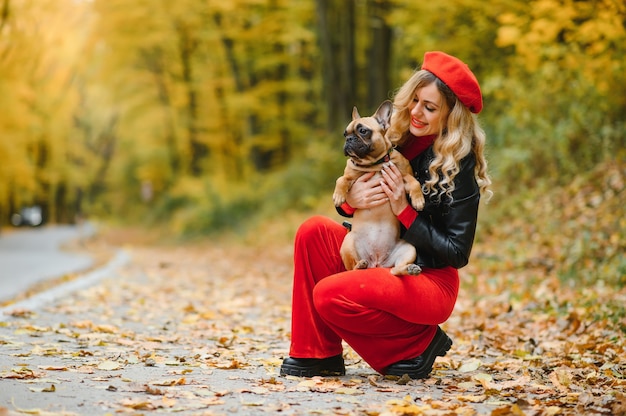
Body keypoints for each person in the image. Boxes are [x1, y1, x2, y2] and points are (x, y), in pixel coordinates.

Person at [280, 51, 492, 379]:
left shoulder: (458, 168)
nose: (417, 112)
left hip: (426, 276)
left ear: (451, 116)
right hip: (380, 250)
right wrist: (350, 202)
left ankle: (416, 344)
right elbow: (368, 214)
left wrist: (405, 211)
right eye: (415, 101)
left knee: (329, 294)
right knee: (312, 230)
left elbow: (456, 252)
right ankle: (316, 353)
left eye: (430, 107)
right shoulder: (393, 138)